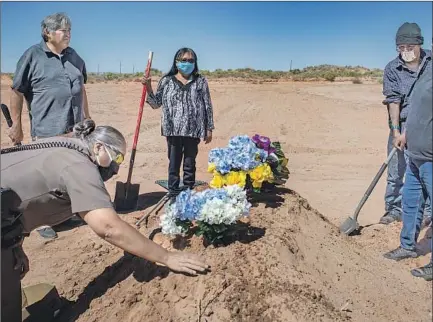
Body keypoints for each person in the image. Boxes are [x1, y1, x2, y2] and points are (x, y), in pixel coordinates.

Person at [1, 120, 210, 322]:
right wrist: (166, 257)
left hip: (5, 227)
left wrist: (15, 246)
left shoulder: (64, 146)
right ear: (98, 147)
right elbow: (108, 227)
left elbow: (22, 194)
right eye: (116, 158)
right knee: (7, 305)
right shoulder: (78, 165)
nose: (117, 168)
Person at [8, 12, 91, 239]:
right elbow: (17, 90)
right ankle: (41, 222)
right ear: (47, 32)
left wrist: (87, 117)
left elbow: (81, 89)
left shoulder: (75, 57)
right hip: (46, 131)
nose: (68, 34)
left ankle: (67, 213)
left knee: (71, 171)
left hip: (74, 130)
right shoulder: (32, 56)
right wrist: (17, 125)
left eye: (70, 30)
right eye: (63, 30)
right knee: (43, 178)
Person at [141, 47, 215, 200]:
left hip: (193, 129)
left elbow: (207, 105)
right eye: (184, 60)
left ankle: (188, 192)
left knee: (190, 163)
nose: (187, 63)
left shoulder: (200, 81)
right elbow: (156, 104)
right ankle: (173, 192)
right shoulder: (166, 81)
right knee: (173, 163)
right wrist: (148, 87)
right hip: (172, 129)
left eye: (191, 60)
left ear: (195, 63)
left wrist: (209, 128)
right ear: (176, 62)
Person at [383, 64, 432, 281]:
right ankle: (407, 246)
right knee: (411, 203)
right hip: (415, 153)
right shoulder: (425, 74)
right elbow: (416, 110)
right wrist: (404, 132)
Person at [380, 22, 432, 227]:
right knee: (395, 170)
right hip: (400, 125)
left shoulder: (431, 62)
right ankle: (393, 208)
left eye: (410, 47)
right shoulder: (392, 68)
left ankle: (427, 212)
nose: (406, 52)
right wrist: (395, 131)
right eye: (401, 48)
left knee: (425, 172)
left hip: (427, 126)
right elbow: (393, 100)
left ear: (420, 44)